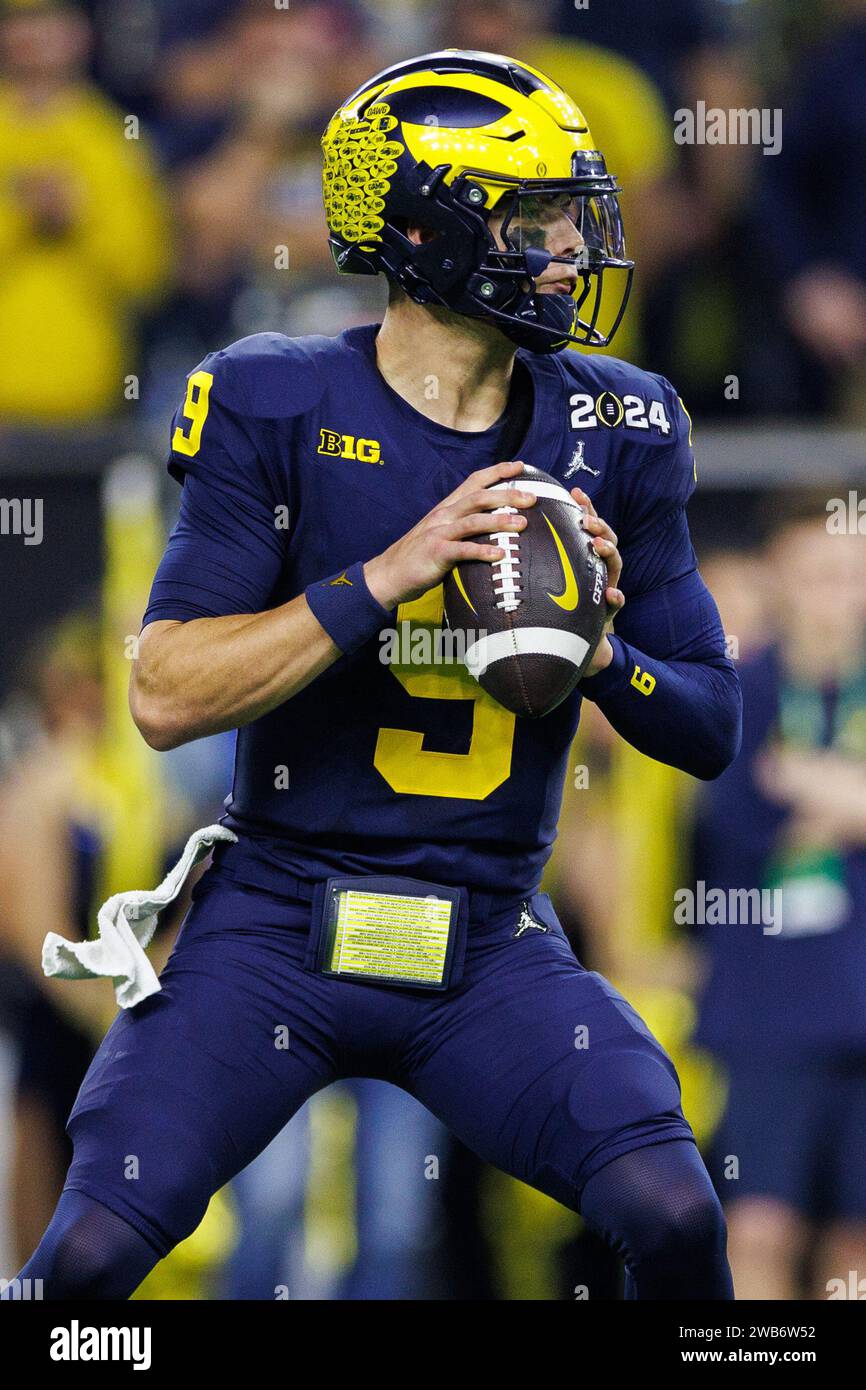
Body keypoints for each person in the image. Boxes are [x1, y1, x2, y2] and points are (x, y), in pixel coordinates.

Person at [6, 50, 741, 1301]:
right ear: (420, 229)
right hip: (278, 915)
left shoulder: (619, 422)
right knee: (84, 1260)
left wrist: (602, 650)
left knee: (671, 1211)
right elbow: (165, 689)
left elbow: (711, 722)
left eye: (571, 218)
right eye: (530, 220)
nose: (568, 251)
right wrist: (387, 574)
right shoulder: (275, 398)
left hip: (485, 934)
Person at [694, 501, 866, 1298]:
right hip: (770, 1010)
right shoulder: (740, 689)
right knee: (759, 1230)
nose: (837, 595)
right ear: (779, 581)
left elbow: (778, 786)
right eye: (817, 576)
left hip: (858, 1001)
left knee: (855, 1251)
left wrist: (816, 789)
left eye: (852, 576)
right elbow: (734, 813)